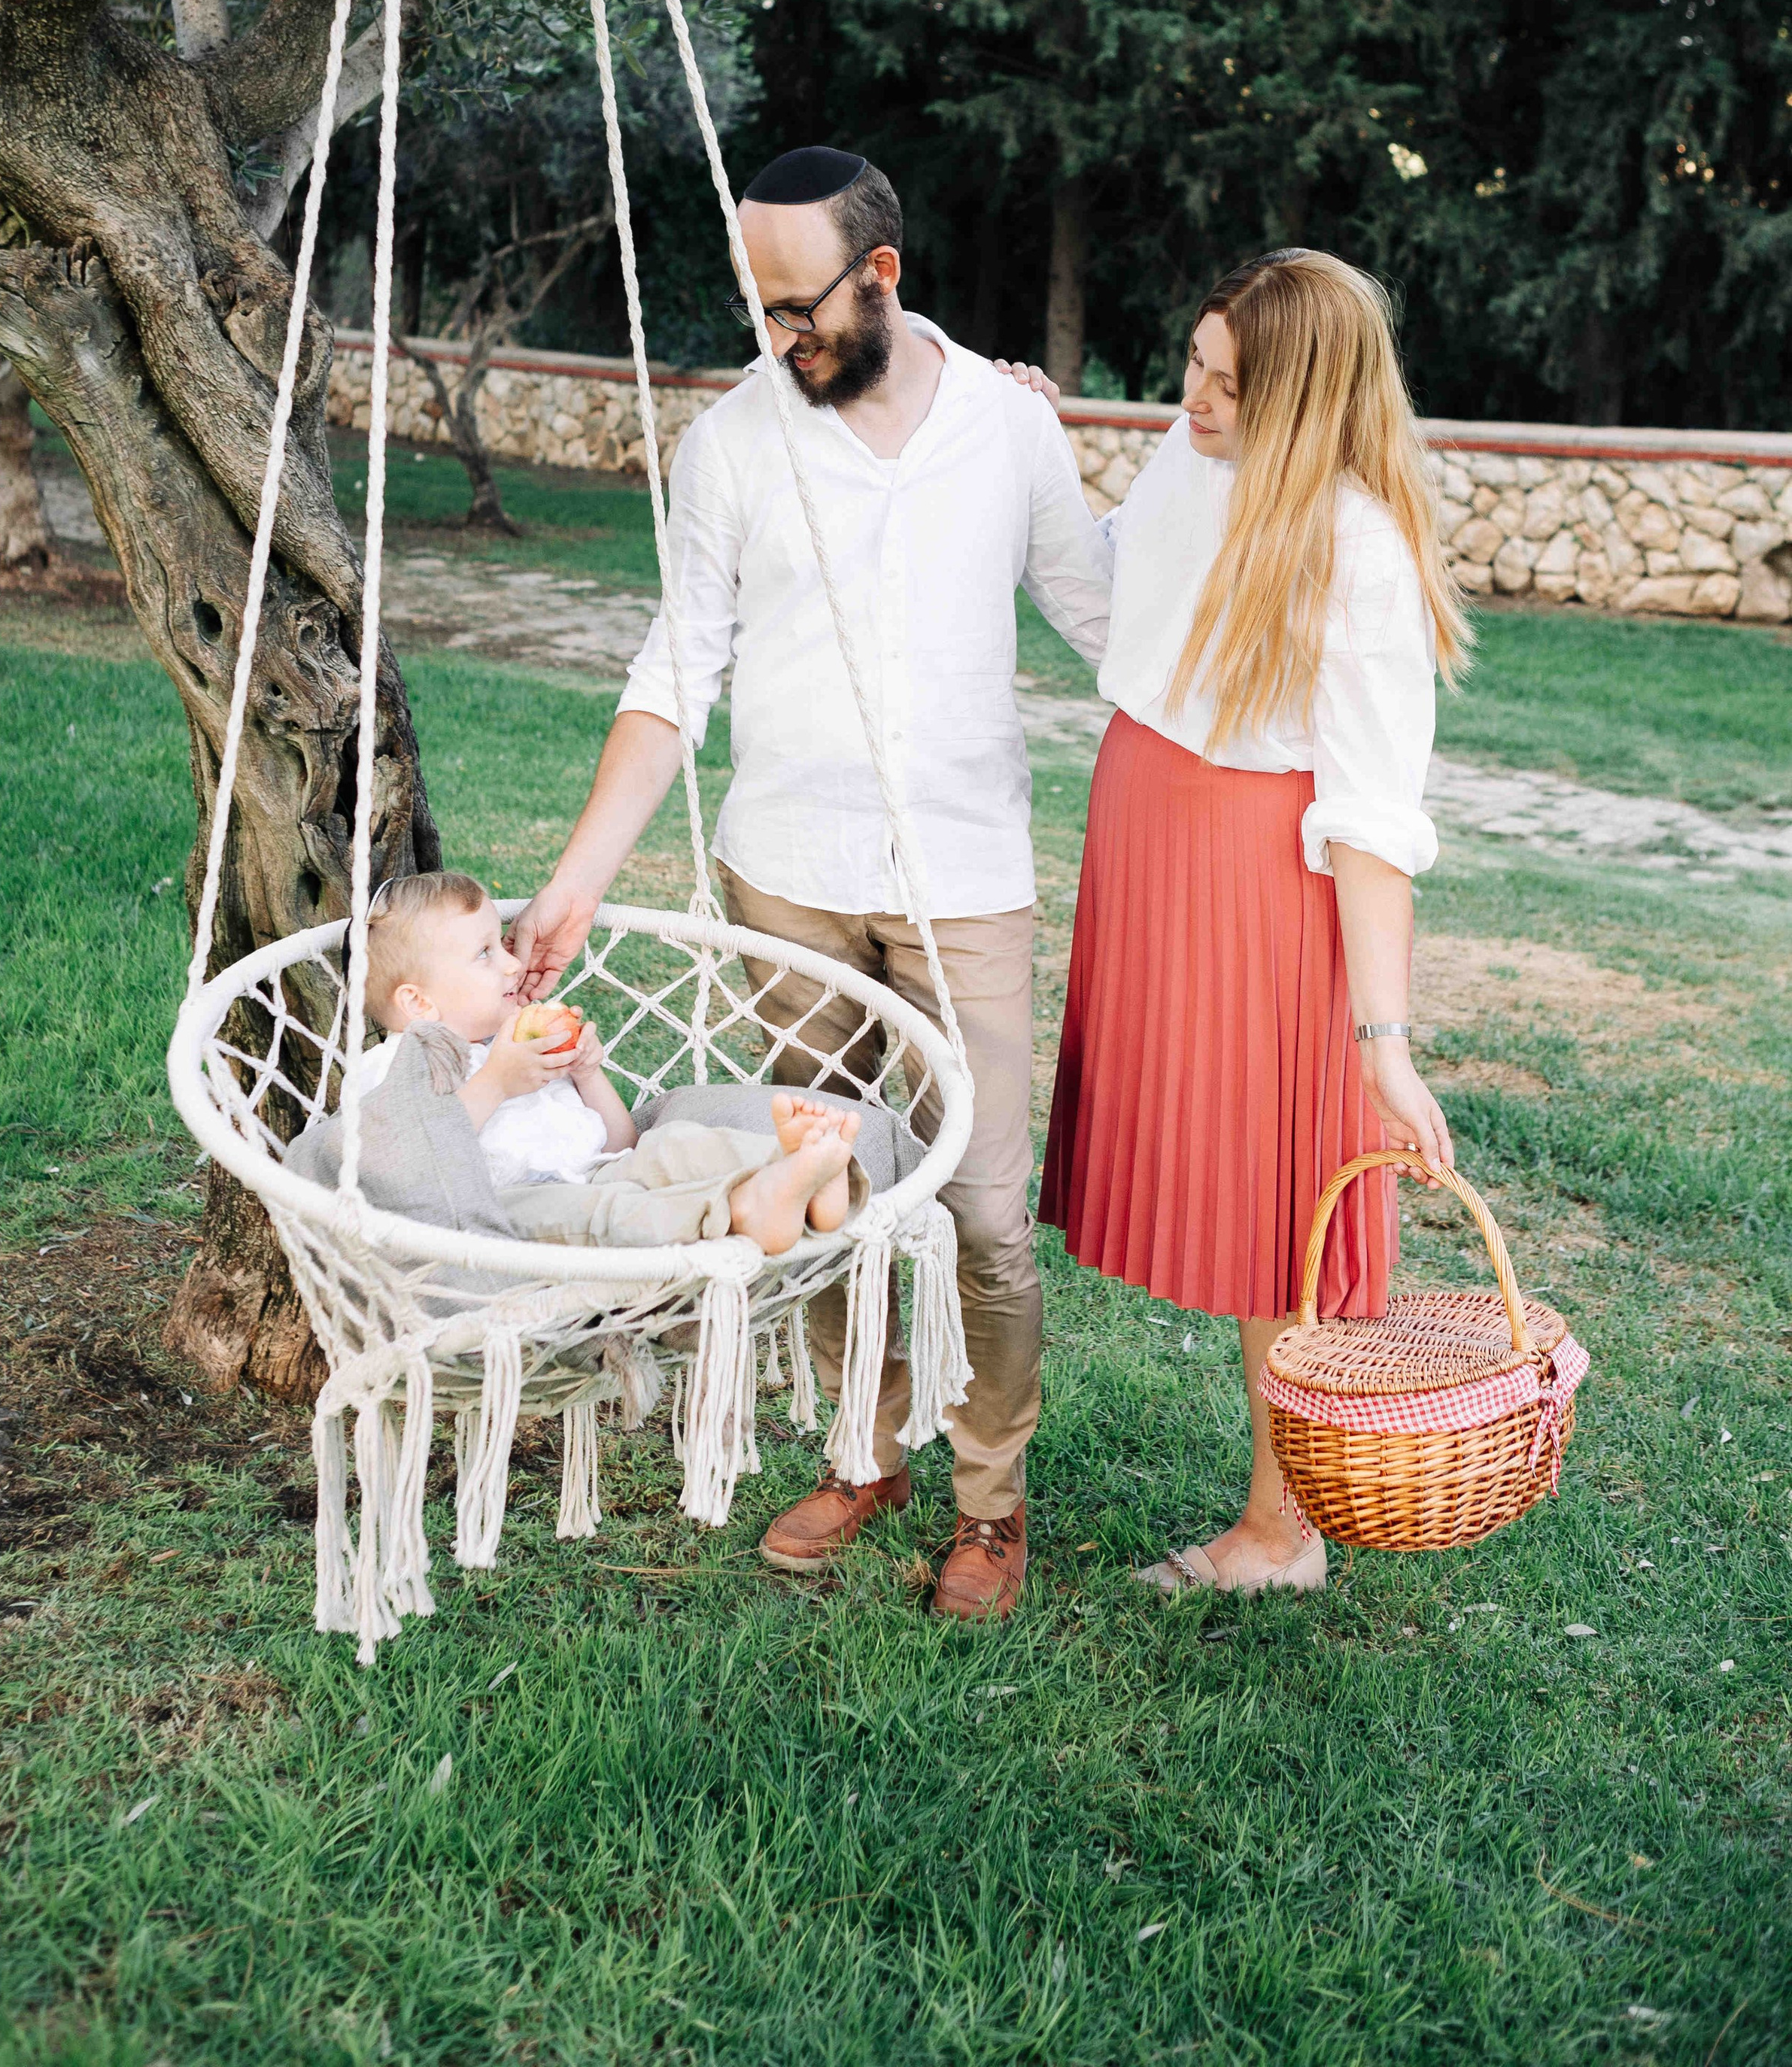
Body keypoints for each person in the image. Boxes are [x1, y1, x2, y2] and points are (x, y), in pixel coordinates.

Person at [513, 147, 1113, 1619]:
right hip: (781, 885)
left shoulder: (1003, 432)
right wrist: (580, 877)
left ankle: (990, 1500)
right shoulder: (727, 445)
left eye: (799, 306)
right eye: (758, 306)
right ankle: (865, 1451)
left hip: (962, 886)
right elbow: (675, 672)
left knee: (977, 1210)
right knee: (826, 1186)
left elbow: (1117, 634)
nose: (779, 336)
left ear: (881, 275)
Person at [1040, 250, 1467, 1596]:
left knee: (1277, 1205)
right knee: (1226, 1193)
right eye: (1195, 365)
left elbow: (1371, 815)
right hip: (1155, 839)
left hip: (1263, 886)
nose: (1195, 400)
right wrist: (1027, 444)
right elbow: (1120, 611)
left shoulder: (1360, 547)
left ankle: (1282, 1532)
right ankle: (1277, 1515)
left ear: (1308, 402)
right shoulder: (1190, 458)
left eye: (1230, 387)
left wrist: (1385, 1040)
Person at [288, 869, 863, 1256]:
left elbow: (625, 1144)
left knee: (678, 1143)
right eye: (486, 954)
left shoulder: (519, 1047)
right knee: (611, 1213)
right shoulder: (395, 1069)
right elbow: (407, 1164)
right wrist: (496, 1082)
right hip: (517, 1216)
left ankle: (793, 1172)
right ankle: (751, 1206)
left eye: (503, 946)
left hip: (607, 1173)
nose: (513, 967)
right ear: (418, 1002)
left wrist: (588, 1075)